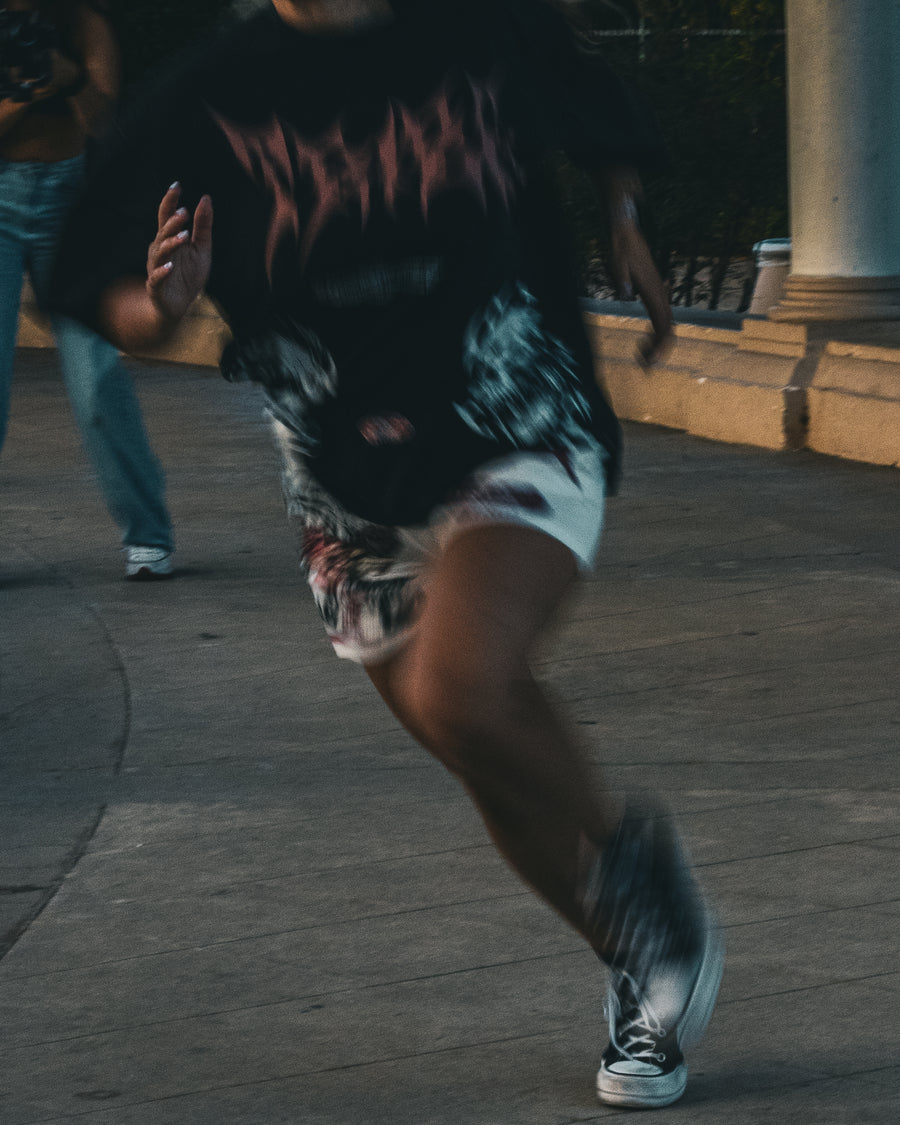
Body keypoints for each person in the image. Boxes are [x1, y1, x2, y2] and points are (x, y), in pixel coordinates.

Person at [52, 0, 722, 1108]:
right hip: (345, 484)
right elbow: (104, 282)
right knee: (481, 746)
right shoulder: (206, 96)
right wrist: (159, 307)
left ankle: (652, 909)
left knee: (467, 691)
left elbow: (599, 112)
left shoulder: (478, 30)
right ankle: (638, 956)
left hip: (514, 409)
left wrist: (629, 217)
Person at [0, 0, 174, 579]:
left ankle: (148, 535)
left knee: (95, 377)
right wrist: (27, 93)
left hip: (68, 204)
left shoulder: (83, 24)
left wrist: (69, 76)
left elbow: (105, 123)